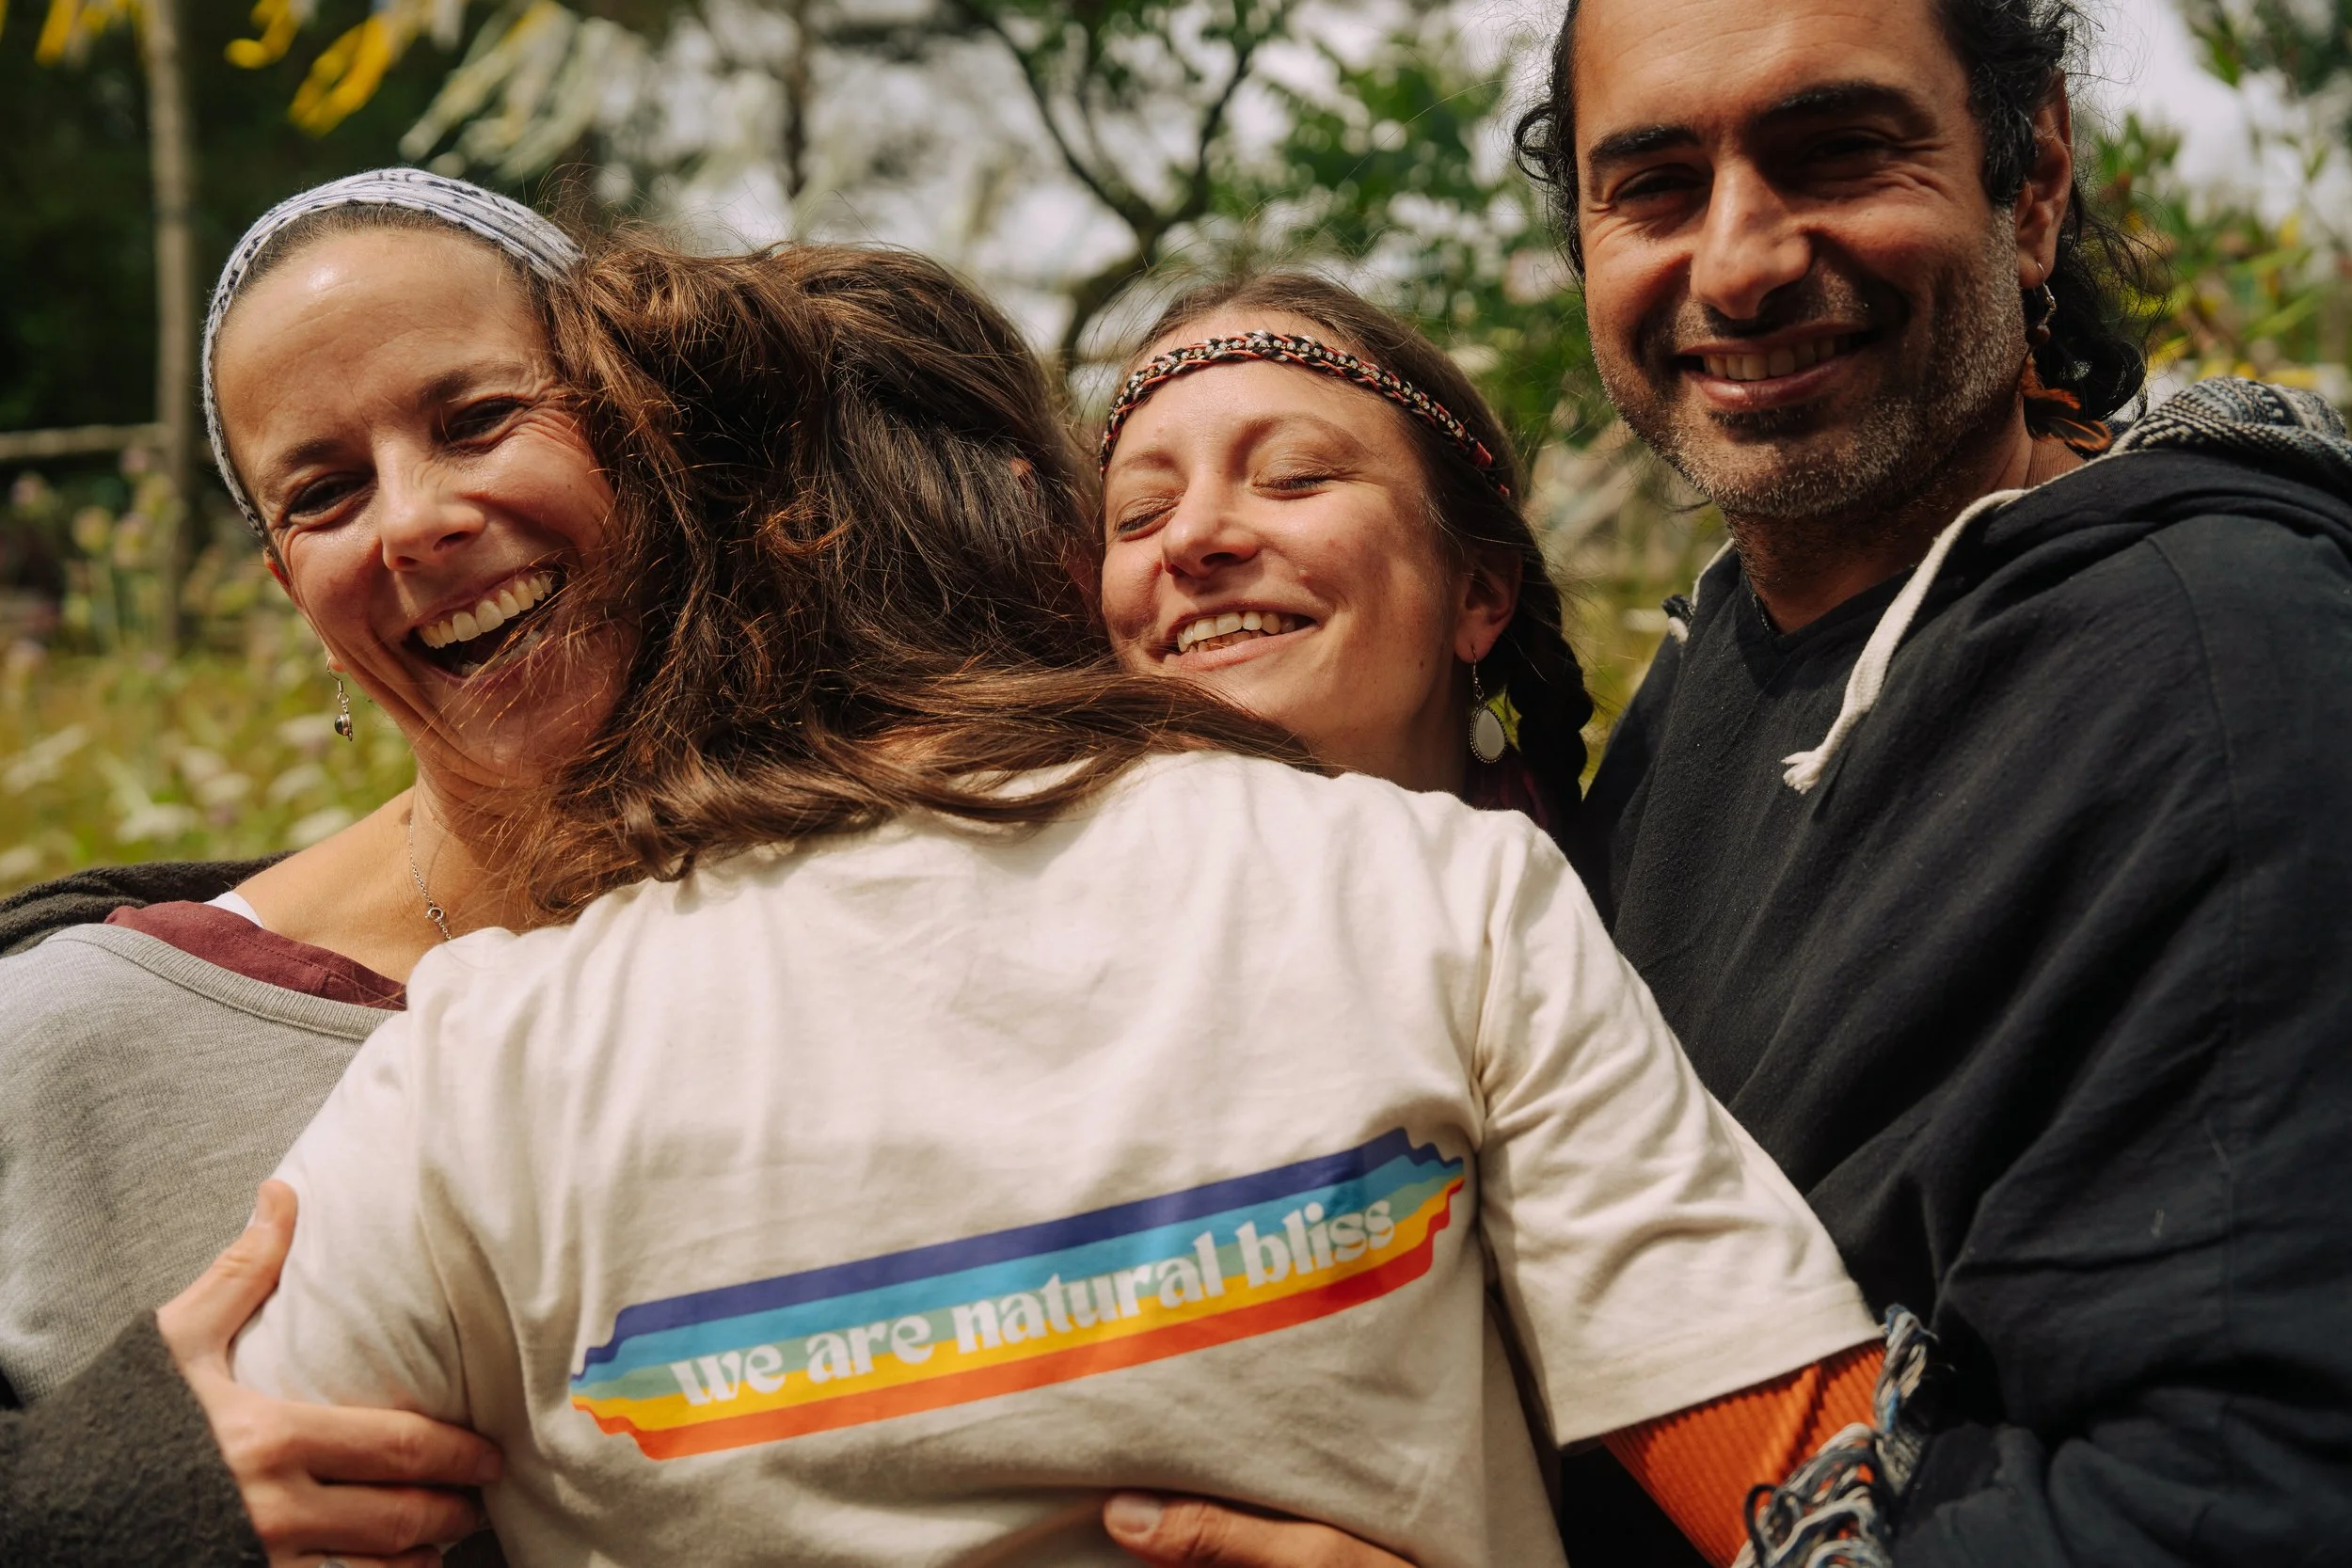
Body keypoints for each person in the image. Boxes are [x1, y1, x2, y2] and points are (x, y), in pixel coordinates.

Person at [228, 227, 1894, 1568]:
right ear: (1043, 532)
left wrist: (144, 1459)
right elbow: (1813, 1492)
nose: (1196, 546)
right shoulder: (1431, 898)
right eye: (1141, 501)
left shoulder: (472, 1066)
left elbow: (237, 1481)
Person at [1495, 0, 2352, 1560]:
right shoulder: (1714, 666)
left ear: (2030, 185)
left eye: (1834, 152)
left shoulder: (2223, 675)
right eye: (1658, 186)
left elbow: (2231, 1505)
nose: (1741, 261)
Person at [0, 167, 617, 1566]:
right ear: (293, 591)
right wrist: (100, 1503)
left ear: (648, 435)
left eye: (477, 420)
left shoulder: (885, 913)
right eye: (325, 491)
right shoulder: (76, 1043)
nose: (414, 520)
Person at [1097, 273, 1588, 838]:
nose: (1187, 535)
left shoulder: (1622, 908)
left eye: (1291, 476)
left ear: (1478, 591)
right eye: (1141, 513)